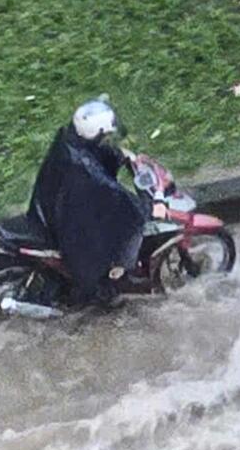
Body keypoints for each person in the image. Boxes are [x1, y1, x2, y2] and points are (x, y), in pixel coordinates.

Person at [23, 97, 152, 308]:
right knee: (109, 240)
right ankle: (101, 286)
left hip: (51, 208)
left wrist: (120, 156)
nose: (106, 138)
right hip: (66, 225)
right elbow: (111, 191)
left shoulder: (69, 141)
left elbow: (98, 154)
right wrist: (140, 207)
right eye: (104, 134)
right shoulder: (85, 171)